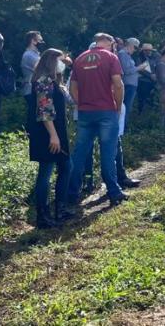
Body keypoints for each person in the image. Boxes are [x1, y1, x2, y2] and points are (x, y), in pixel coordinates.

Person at [67, 33, 128, 208]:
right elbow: (118, 84)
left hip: (85, 112)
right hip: (106, 111)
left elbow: (72, 87)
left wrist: (81, 103)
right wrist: (118, 106)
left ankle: (71, 193)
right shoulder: (111, 57)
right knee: (108, 153)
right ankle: (114, 192)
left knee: (79, 153)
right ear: (108, 42)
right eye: (113, 43)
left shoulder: (80, 58)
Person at [26, 48, 72, 228]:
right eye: (60, 60)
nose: (63, 64)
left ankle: (61, 208)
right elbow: (44, 111)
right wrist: (53, 136)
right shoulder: (43, 81)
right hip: (47, 133)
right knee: (46, 171)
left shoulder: (54, 81)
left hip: (58, 131)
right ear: (52, 61)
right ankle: (42, 215)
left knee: (66, 166)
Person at [118, 38, 140, 127]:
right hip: (128, 84)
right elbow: (126, 70)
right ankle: (122, 129)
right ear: (130, 45)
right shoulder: (123, 54)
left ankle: (123, 127)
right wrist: (139, 68)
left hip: (131, 84)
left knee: (127, 107)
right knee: (126, 107)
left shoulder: (127, 55)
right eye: (135, 47)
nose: (135, 50)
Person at [20, 31, 44, 103]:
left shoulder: (35, 54)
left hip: (35, 90)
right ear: (33, 41)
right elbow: (42, 69)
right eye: (40, 40)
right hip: (31, 91)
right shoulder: (29, 55)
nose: (42, 43)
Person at [136, 43, 157, 114]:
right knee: (142, 99)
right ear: (144, 51)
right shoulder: (140, 58)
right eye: (148, 50)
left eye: (151, 50)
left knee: (150, 99)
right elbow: (140, 69)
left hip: (151, 82)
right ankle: (140, 114)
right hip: (143, 81)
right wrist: (150, 75)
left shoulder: (152, 58)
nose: (150, 52)